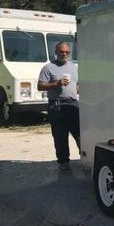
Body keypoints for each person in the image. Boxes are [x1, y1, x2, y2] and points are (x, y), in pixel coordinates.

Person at [38, 42, 80, 171]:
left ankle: (86, 159)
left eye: (67, 52)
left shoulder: (74, 67)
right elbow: (40, 86)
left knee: (80, 134)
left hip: (73, 104)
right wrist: (57, 83)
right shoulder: (48, 68)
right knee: (60, 137)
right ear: (56, 52)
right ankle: (64, 163)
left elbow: (76, 85)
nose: (64, 54)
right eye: (62, 52)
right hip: (57, 106)